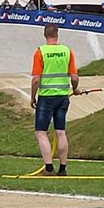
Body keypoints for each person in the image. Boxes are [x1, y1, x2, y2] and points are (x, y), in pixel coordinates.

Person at [29, 25, 80, 176]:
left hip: (46, 97)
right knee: (60, 132)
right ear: (57, 34)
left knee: (41, 132)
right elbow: (74, 77)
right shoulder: (67, 51)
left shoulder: (40, 52)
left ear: (45, 35)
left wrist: (32, 97)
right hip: (63, 97)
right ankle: (63, 168)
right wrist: (75, 88)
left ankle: (49, 167)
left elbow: (36, 80)